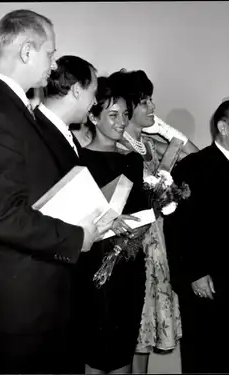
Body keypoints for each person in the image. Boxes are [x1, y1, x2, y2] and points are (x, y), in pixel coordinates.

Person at [0, 10, 112, 374]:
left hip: (26, 308)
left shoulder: (5, 107)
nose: (53, 66)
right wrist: (76, 236)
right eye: (49, 54)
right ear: (27, 51)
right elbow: (3, 215)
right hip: (13, 319)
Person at [164, 99, 229, 373]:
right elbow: (179, 224)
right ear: (223, 127)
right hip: (210, 287)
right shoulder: (194, 166)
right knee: (208, 359)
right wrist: (195, 272)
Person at [109, 69, 198, 373]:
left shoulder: (149, 143)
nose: (152, 108)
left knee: (144, 340)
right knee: (131, 328)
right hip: (133, 242)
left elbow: (195, 159)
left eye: (150, 101)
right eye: (144, 102)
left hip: (158, 243)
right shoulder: (117, 146)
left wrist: (166, 130)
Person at [75, 75, 150, 374]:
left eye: (125, 115)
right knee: (95, 352)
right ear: (93, 117)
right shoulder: (79, 161)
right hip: (94, 270)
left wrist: (137, 228)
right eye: (113, 115)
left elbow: (143, 213)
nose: (122, 122)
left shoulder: (133, 161)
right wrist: (108, 225)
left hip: (130, 267)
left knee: (123, 353)